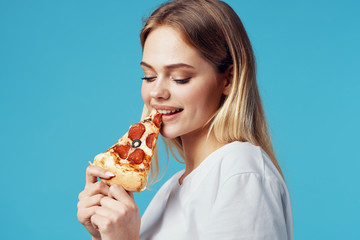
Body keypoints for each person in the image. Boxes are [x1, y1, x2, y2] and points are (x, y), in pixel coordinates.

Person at [77, 0, 293, 239]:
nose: (157, 92)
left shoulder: (241, 173)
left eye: (180, 78)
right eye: (148, 76)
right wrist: (104, 233)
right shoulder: (173, 189)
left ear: (228, 79)